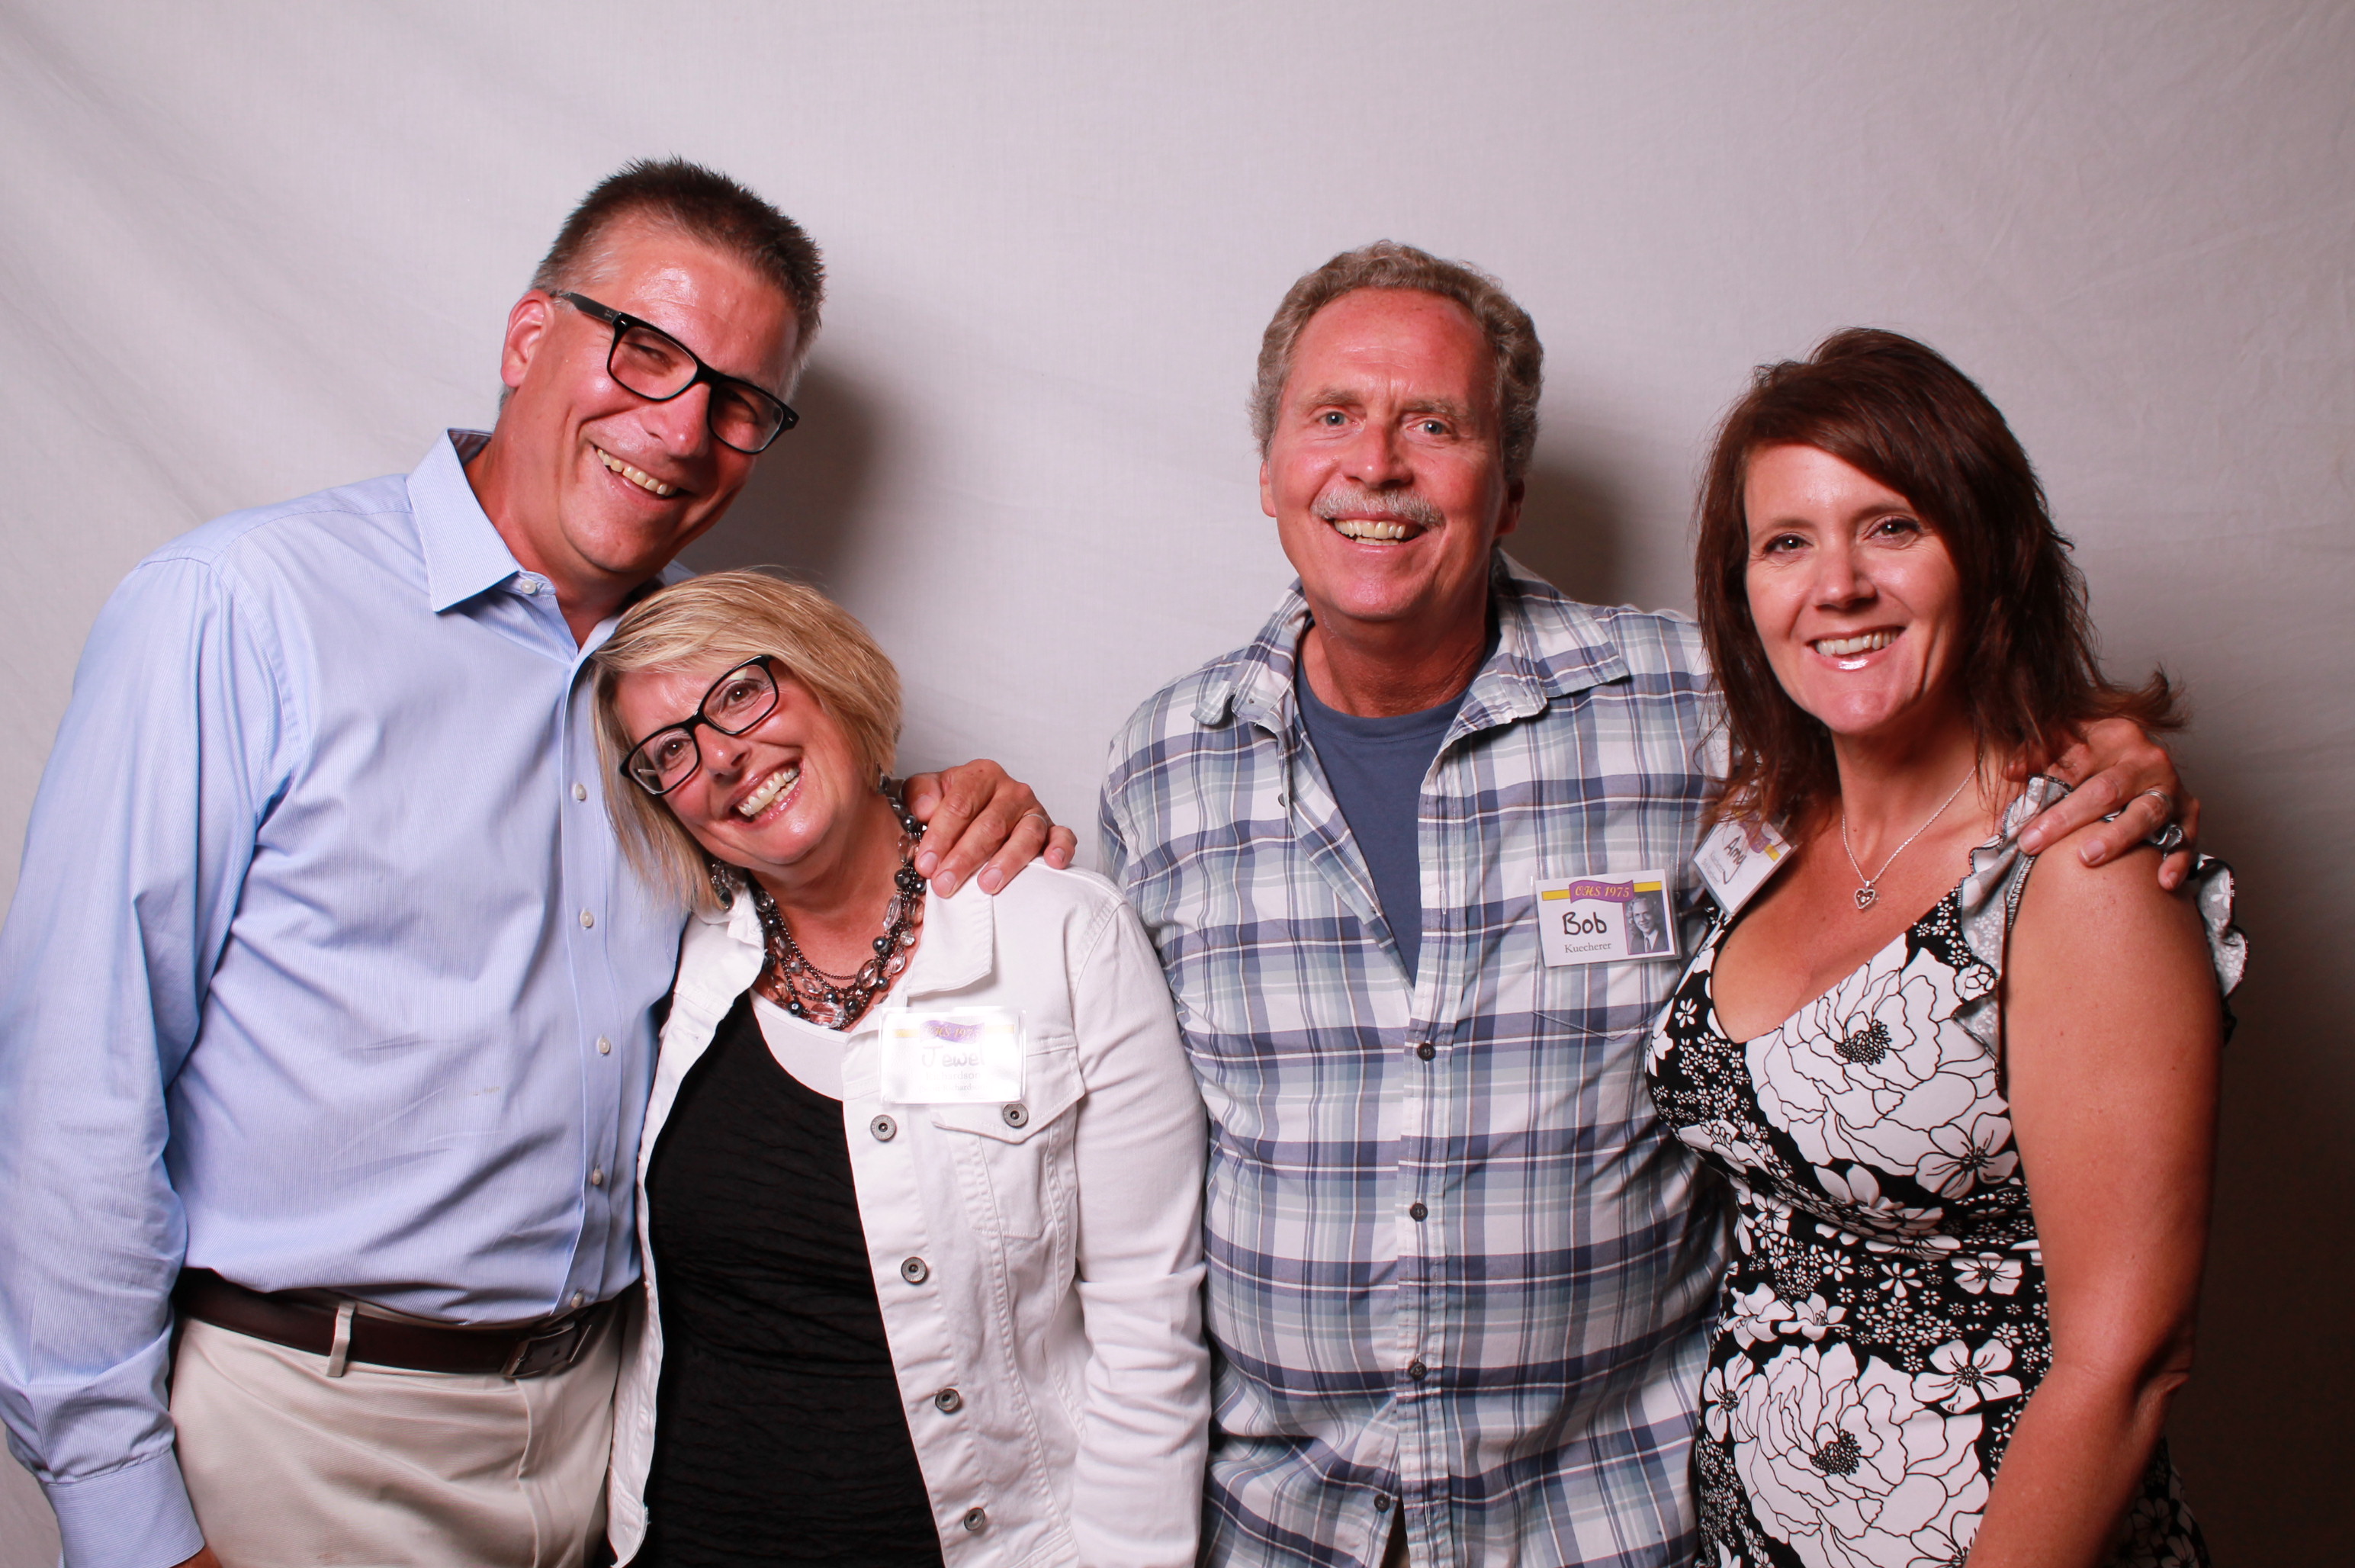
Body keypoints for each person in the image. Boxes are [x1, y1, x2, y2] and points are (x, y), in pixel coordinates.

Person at [0, 160, 1068, 1568]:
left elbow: (831, 946)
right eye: (646, 350)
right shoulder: (240, 612)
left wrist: (934, 811)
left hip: (607, 1440)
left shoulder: (716, 710)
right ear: (526, 336)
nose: (680, 429)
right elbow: (75, 1077)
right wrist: (119, 1508)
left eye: (739, 403)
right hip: (301, 1431)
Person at [1097, 245, 2194, 1567]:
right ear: (1271, 466)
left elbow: (1920, 735)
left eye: (1434, 425)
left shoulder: (1702, 712)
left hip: (1610, 1519)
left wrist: (2091, 743)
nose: (1375, 464)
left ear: (1509, 489)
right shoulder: (1163, 767)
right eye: (1333, 416)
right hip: (1283, 1525)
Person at [1645, 329, 2241, 1566]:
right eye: (1787, 542)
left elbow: (2130, 1360)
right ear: (1743, 591)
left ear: (1988, 552)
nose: (1839, 585)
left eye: (1893, 527)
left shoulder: (2077, 863)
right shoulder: (1770, 825)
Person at [586, 570, 1208, 1566]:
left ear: (831, 675)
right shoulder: (674, 962)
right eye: (670, 751)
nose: (722, 755)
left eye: (740, 692)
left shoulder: (1061, 936)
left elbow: (1150, 1319)